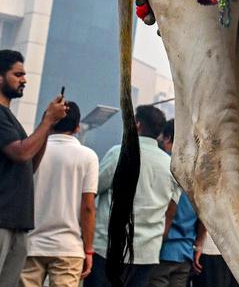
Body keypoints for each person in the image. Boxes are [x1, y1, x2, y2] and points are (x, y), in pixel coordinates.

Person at [88, 104, 178, 287]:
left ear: (136, 124)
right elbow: (171, 212)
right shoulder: (171, 166)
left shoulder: (119, 153)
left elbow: (93, 189)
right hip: (147, 253)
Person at [0, 50, 69, 285]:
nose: (24, 80)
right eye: (17, 74)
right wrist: (47, 121)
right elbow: (21, 153)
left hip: (17, 222)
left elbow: (29, 164)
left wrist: (47, 127)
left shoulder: (10, 118)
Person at [22, 100, 99, 287]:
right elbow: (88, 207)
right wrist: (88, 250)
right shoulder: (88, 157)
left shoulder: (32, 151)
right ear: (78, 127)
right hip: (69, 247)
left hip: (31, 244)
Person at [151, 120, 200, 287]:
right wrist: (198, 246)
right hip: (185, 254)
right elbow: (204, 216)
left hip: (162, 251)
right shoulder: (196, 173)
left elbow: (166, 212)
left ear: (167, 138)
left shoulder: (164, 166)